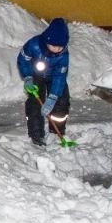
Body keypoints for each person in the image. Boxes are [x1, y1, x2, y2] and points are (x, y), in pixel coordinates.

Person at [17, 18, 71, 146]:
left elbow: (60, 76)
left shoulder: (64, 54)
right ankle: (36, 134)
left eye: (60, 46)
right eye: (54, 45)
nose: (57, 49)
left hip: (54, 76)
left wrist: (53, 97)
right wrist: (28, 76)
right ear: (47, 40)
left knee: (62, 100)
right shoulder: (33, 45)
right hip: (36, 74)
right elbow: (22, 60)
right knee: (35, 102)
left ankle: (57, 132)